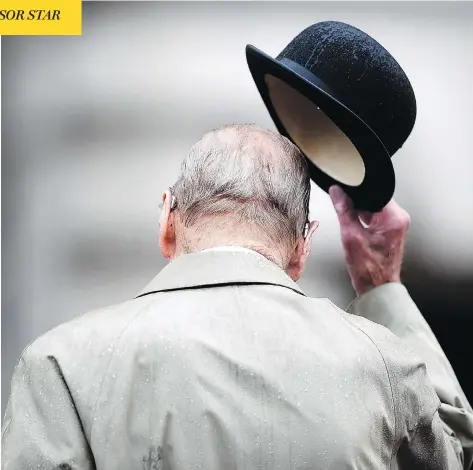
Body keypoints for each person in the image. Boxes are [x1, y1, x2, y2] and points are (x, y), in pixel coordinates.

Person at [2, 124, 472, 469]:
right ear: (302, 246)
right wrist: (382, 285)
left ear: (168, 220)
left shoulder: (60, 365)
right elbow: (456, 451)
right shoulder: (383, 364)